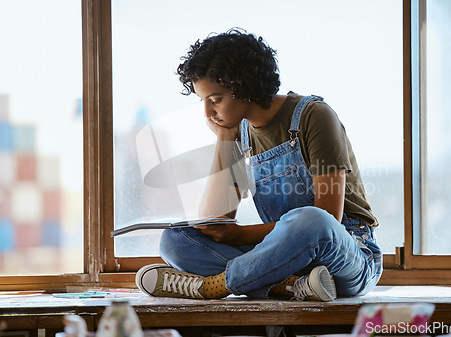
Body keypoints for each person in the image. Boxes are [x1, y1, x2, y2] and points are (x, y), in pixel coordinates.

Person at [135, 28, 382, 301]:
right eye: (203, 101)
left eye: (215, 100)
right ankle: (287, 285)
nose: (207, 113)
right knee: (176, 241)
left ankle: (213, 287)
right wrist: (225, 139)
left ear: (244, 87)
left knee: (309, 220)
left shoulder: (314, 116)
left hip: (347, 256)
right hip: (288, 262)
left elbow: (327, 219)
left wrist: (239, 236)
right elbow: (216, 219)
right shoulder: (239, 132)